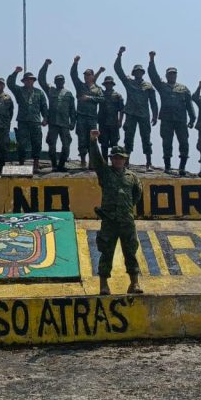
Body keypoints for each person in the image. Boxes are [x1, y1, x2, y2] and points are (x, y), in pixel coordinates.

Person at [89, 130, 144, 296]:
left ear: (125, 159)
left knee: (130, 251)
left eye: (121, 157)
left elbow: (137, 194)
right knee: (106, 252)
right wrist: (93, 141)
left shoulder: (132, 177)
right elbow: (97, 160)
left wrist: (126, 208)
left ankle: (134, 283)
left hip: (126, 220)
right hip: (109, 221)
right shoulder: (105, 173)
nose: (118, 160)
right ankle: (104, 285)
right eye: (115, 157)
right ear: (111, 159)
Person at [148, 52, 196, 175]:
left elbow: (189, 104)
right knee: (167, 142)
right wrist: (152, 60)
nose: (172, 76)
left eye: (174, 74)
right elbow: (153, 76)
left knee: (184, 143)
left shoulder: (183, 88)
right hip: (166, 119)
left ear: (176, 75)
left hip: (181, 119)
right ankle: (168, 166)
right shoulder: (162, 86)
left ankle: (182, 167)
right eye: (170, 74)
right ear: (166, 75)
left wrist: (193, 117)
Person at [114, 47, 159, 170]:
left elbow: (153, 102)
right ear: (134, 73)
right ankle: (126, 162)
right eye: (136, 72)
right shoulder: (129, 82)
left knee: (146, 138)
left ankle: (148, 162)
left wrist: (155, 115)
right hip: (131, 114)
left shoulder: (148, 86)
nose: (138, 73)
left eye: (140, 71)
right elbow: (118, 70)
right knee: (128, 138)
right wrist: (119, 55)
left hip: (144, 115)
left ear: (142, 73)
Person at [7, 67, 48, 169]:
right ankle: (21, 163)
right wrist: (15, 72)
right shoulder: (19, 90)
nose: (29, 81)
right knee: (21, 143)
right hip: (23, 121)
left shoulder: (39, 92)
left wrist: (45, 118)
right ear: (24, 81)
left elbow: (44, 107)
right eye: (27, 79)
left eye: (31, 79)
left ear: (33, 81)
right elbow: (10, 84)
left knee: (37, 143)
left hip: (35, 121)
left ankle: (36, 164)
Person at [39, 59, 76, 172]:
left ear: (64, 81)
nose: (59, 82)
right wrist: (45, 65)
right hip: (53, 123)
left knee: (66, 145)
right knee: (52, 145)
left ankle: (62, 165)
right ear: (55, 82)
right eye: (57, 80)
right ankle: (54, 165)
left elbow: (72, 110)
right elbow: (41, 79)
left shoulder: (69, 94)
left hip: (65, 123)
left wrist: (73, 122)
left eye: (61, 80)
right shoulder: (51, 90)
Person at [71, 57, 104, 169]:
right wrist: (75, 63)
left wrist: (89, 98)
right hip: (81, 116)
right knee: (81, 139)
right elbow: (73, 76)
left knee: (92, 139)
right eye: (85, 75)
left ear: (92, 76)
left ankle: (92, 161)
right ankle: (83, 161)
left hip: (92, 118)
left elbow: (102, 99)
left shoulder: (98, 89)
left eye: (88, 75)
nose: (86, 77)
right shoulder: (80, 86)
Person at [97, 76, 125, 161]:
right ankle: (104, 162)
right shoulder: (101, 94)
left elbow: (122, 110)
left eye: (109, 83)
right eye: (106, 83)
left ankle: (114, 162)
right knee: (103, 144)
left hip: (114, 123)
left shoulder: (118, 95)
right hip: (103, 123)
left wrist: (120, 121)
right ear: (104, 85)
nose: (108, 85)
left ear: (112, 84)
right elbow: (93, 82)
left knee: (114, 144)